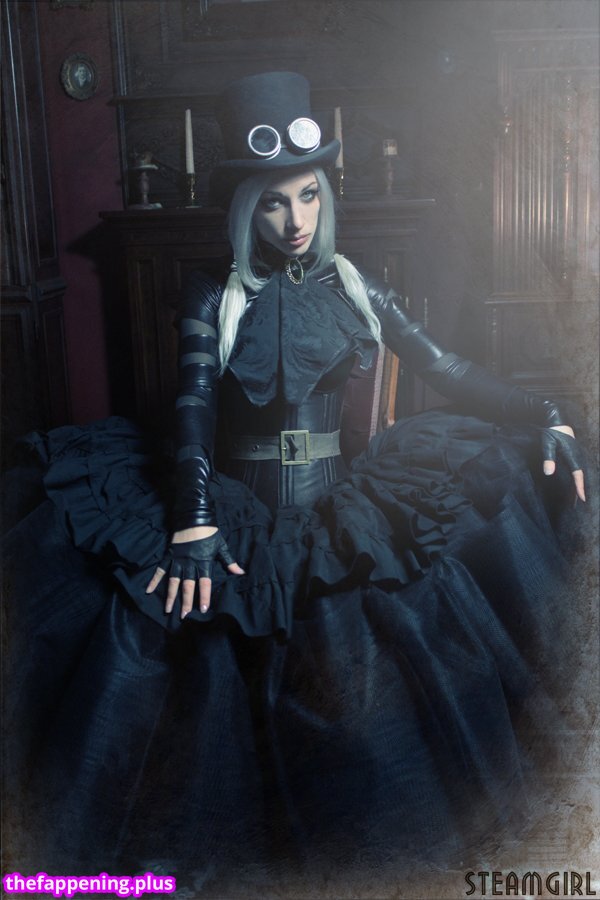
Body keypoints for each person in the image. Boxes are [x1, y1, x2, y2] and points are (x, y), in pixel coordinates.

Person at [3, 71, 586, 888]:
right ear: (248, 207)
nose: (295, 219)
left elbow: (447, 368)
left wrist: (546, 408)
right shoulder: (213, 292)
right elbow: (193, 406)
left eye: (308, 195)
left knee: (373, 677)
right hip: (229, 505)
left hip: (331, 509)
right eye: (274, 202)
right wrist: (194, 519)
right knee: (157, 644)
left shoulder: (354, 283)